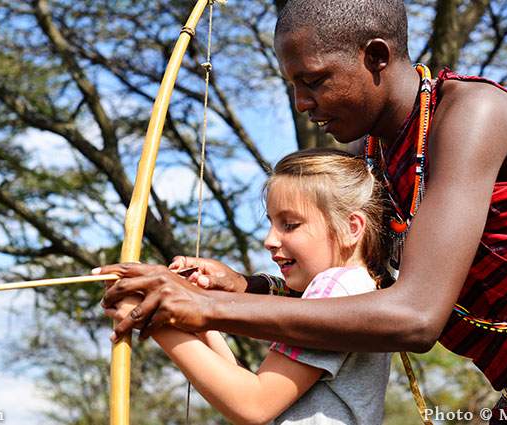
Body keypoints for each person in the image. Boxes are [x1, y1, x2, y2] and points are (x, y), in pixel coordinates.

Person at [98, 0, 507, 423]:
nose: (303, 102)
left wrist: (201, 309)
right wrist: (245, 288)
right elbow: (365, 290)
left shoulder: (473, 116)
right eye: (294, 87)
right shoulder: (375, 156)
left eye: (314, 80)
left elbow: (415, 316)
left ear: (376, 56)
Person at [108, 149, 392, 424]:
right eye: (271, 224)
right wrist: (197, 321)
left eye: (290, 225)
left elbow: (253, 405)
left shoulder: (335, 287)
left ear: (351, 227)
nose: (269, 240)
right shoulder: (355, 289)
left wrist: (155, 318)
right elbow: (250, 392)